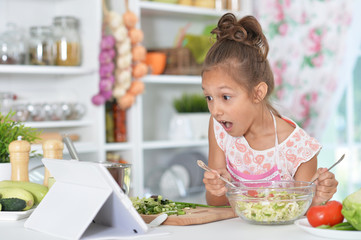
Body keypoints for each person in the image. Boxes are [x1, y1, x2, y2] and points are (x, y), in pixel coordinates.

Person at [201, 13, 338, 207]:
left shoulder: (299, 149)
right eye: (209, 97)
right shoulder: (218, 129)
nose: (215, 110)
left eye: (225, 97)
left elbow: (304, 212)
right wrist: (217, 188)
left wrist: (318, 198)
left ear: (258, 93)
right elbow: (215, 204)